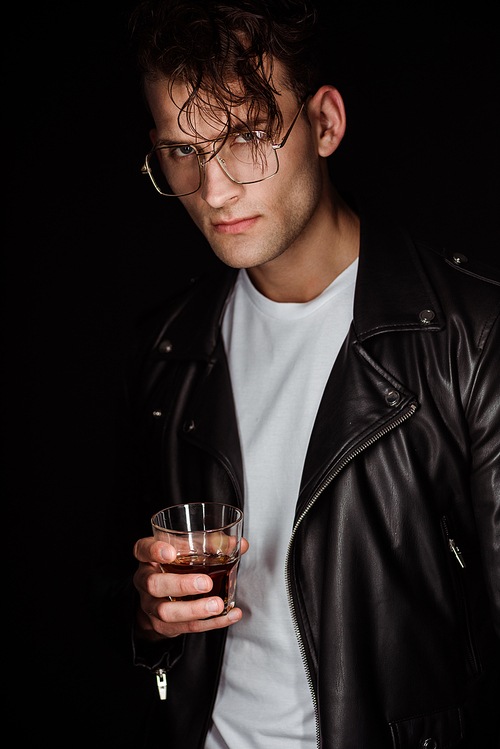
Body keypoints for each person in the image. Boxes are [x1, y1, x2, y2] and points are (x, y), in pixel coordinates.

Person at [101, 1, 500, 746]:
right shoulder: (164, 351)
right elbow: (111, 611)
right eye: (184, 151)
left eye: (248, 135)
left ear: (324, 124)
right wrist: (149, 617)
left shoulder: (471, 336)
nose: (215, 189)